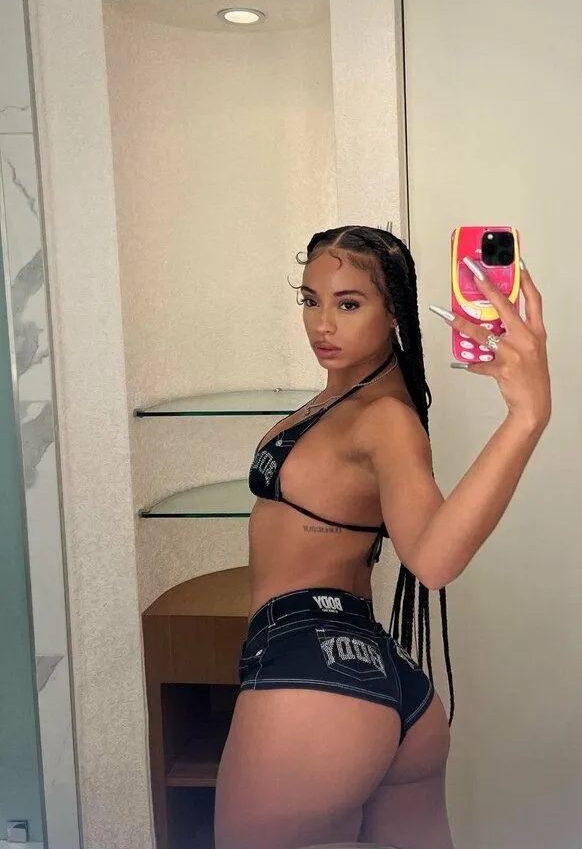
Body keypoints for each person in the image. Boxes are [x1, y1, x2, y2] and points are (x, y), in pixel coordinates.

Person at [214, 225, 551, 849]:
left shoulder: (385, 419)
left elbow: (432, 559)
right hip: (375, 674)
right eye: (310, 300)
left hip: (315, 670)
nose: (322, 324)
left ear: (393, 311)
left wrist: (526, 418)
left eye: (348, 304)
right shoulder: (346, 400)